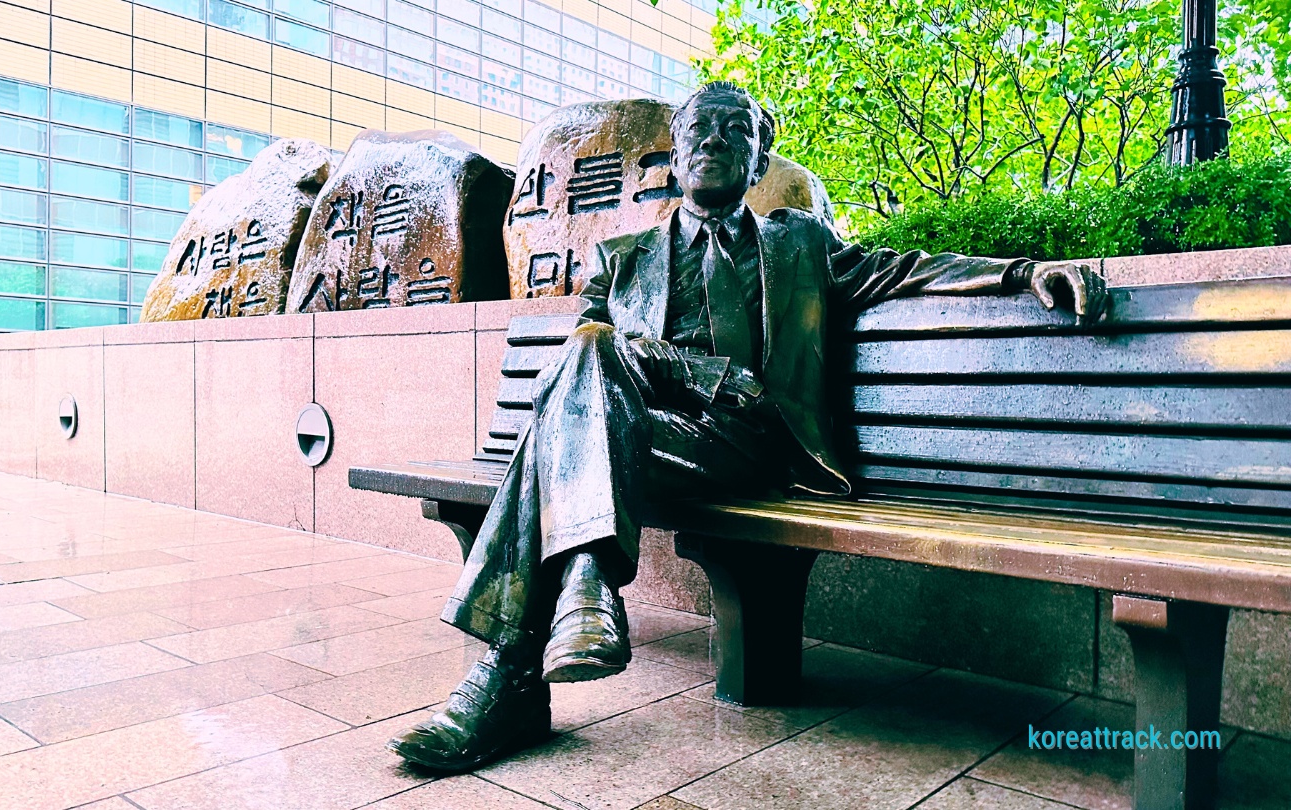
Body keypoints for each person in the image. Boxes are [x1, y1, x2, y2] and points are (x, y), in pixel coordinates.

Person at [388, 81, 1109, 771]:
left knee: (573, 405)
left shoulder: (801, 244)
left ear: (760, 161)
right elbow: (574, 384)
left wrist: (1021, 274)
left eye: (740, 129)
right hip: (647, 439)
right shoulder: (624, 259)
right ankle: (565, 602)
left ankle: (524, 660)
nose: (718, 139)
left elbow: (904, 268)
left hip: (755, 447)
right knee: (585, 349)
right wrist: (692, 373)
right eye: (701, 126)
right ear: (674, 154)